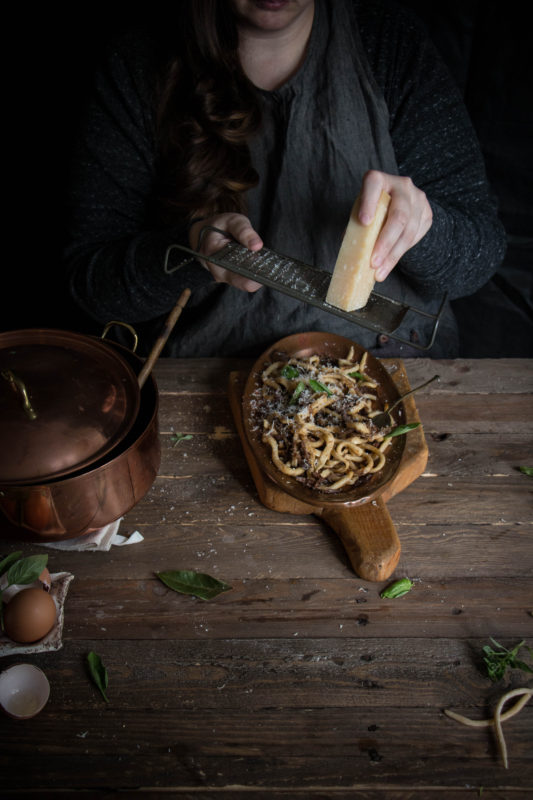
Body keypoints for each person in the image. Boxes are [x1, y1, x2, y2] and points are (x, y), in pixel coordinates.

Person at [63, 0, 506, 358]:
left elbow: (480, 255)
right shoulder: (140, 62)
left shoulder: (387, 40)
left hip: (386, 362)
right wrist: (190, 248)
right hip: (210, 371)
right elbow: (91, 285)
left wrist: (425, 227)